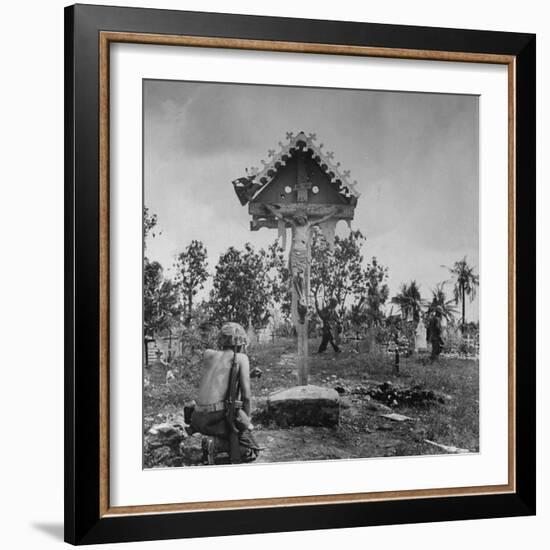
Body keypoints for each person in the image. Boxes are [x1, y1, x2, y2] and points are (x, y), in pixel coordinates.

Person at [189, 322, 261, 464]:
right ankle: (215, 444)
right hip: (215, 419)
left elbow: (219, 377)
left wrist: (247, 375)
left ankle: (209, 441)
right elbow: (246, 397)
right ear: (241, 342)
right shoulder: (241, 358)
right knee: (251, 450)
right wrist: (246, 423)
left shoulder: (207, 354)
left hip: (197, 418)